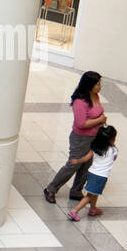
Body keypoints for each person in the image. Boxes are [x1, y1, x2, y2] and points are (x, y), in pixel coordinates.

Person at [43, 71, 107, 204]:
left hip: (93, 137)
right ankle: (51, 189)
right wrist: (100, 119)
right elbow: (81, 123)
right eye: (97, 84)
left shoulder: (95, 96)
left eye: (100, 83)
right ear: (89, 84)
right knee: (73, 164)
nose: (100, 86)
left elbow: (96, 113)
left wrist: (100, 122)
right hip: (80, 139)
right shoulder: (80, 101)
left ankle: (76, 190)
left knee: (86, 165)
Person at [67, 126, 118, 223]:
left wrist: (77, 160)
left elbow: (86, 158)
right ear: (112, 139)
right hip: (100, 177)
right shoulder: (113, 150)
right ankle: (74, 211)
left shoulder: (95, 148)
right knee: (89, 196)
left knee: (95, 193)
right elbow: (114, 158)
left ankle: (93, 209)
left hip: (91, 173)